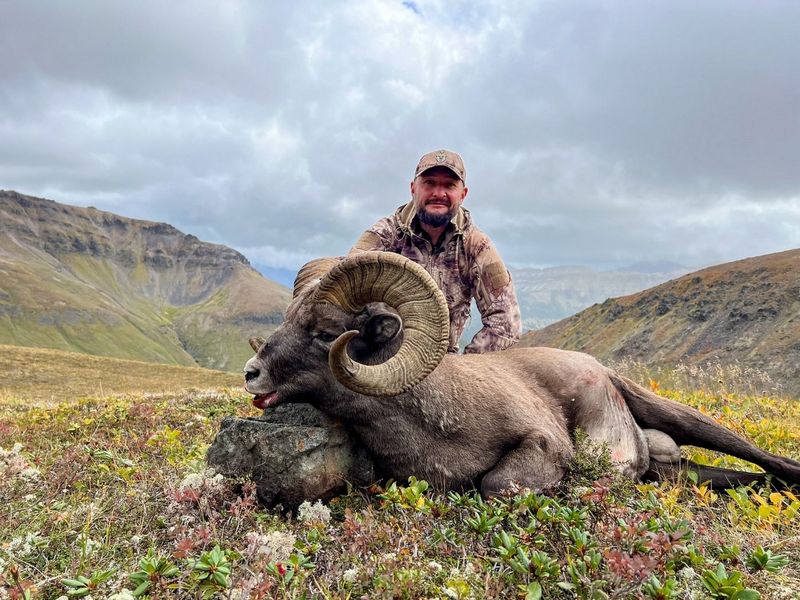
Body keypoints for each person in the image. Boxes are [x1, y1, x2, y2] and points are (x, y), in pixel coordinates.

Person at [349, 149, 521, 354]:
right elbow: (345, 286)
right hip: (381, 356)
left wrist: (465, 369)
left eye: (449, 185)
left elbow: (506, 324)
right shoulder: (385, 235)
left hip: (442, 364)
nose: (439, 193)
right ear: (413, 189)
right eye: (429, 183)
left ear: (463, 194)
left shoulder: (476, 246)